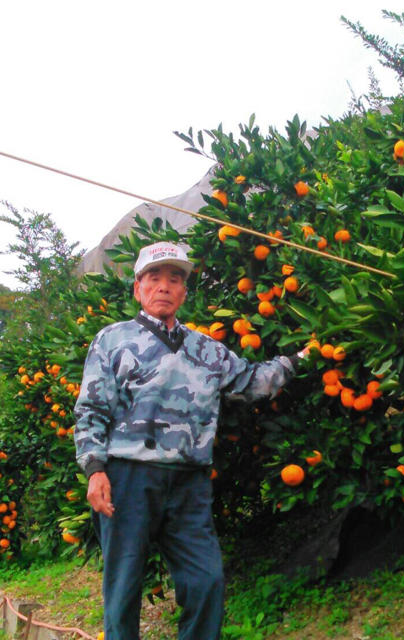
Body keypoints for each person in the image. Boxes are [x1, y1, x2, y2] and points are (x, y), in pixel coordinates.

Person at [73, 241, 307, 640]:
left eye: (174, 279)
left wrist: (302, 359)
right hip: (128, 478)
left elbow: (252, 382)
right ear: (138, 288)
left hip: (189, 481)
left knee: (206, 581)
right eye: (154, 277)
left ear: (183, 291)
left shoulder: (207, 348)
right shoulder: (111, 340)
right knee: (124, 587)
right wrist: (95, 469)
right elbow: (91, 408)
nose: (164, 286)